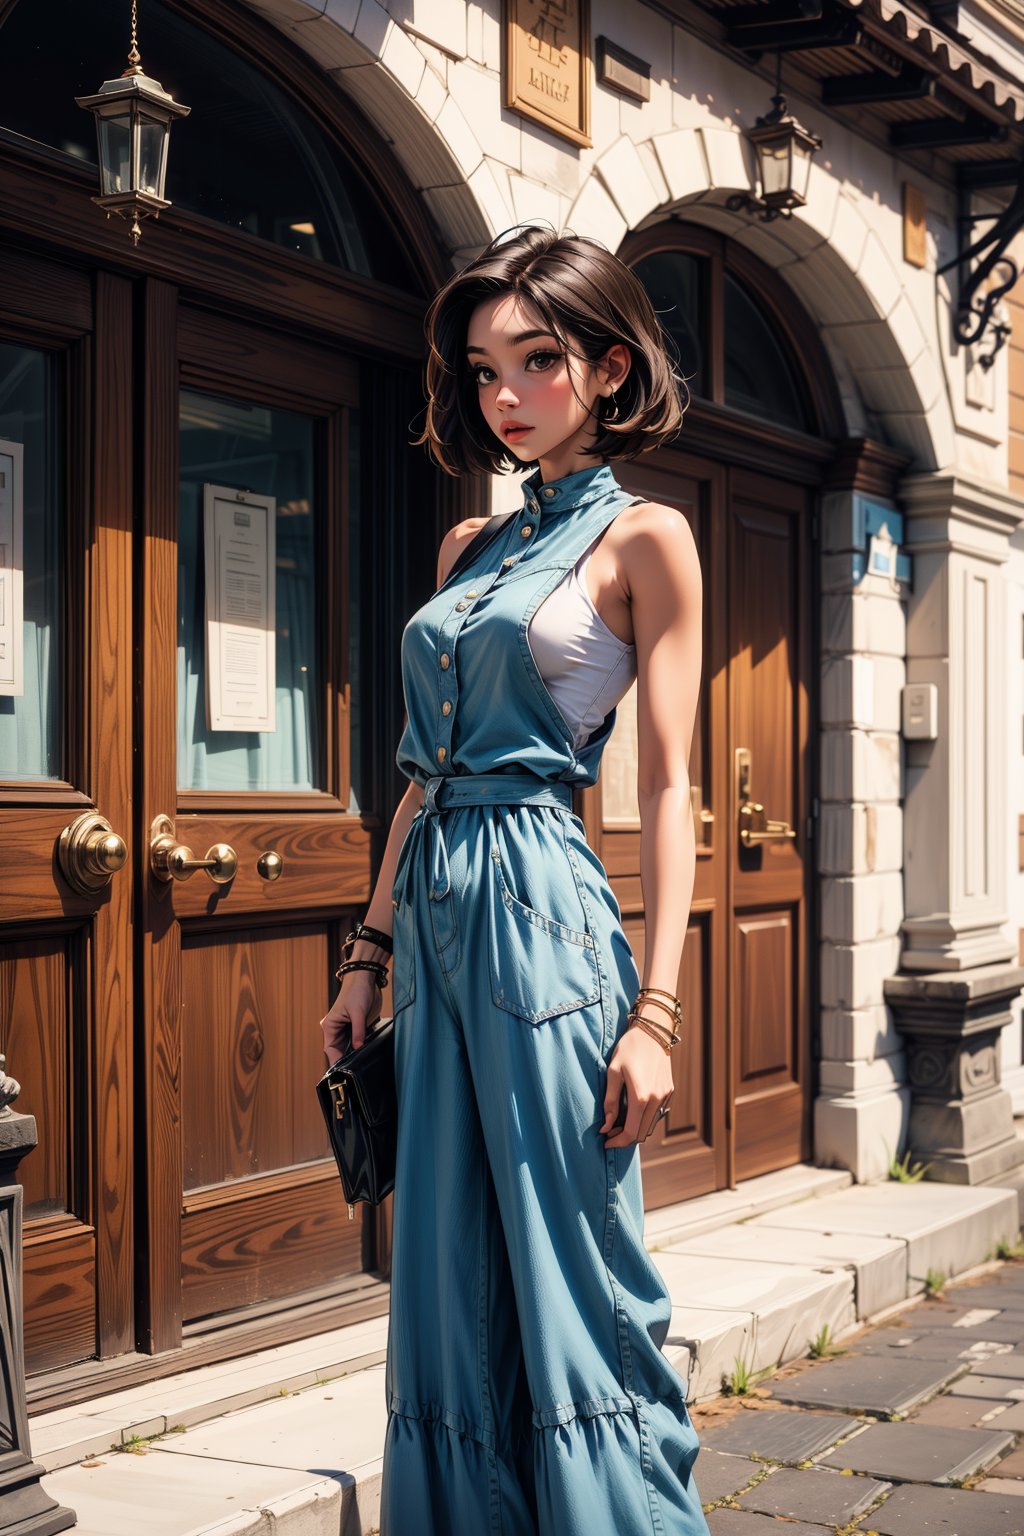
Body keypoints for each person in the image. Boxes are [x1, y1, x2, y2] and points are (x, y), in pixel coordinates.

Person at [320, 225, 710, 1536]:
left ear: (606, 368)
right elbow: (422, 776)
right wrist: (365, 956)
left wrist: (656, 1015)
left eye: (536, 362)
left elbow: (667, 785)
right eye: (484, 369)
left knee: (571, 1261)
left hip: (546, 912)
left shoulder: (648, 539)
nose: (505, 396)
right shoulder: (465, 547)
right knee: (445, 1269)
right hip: (434, 923)